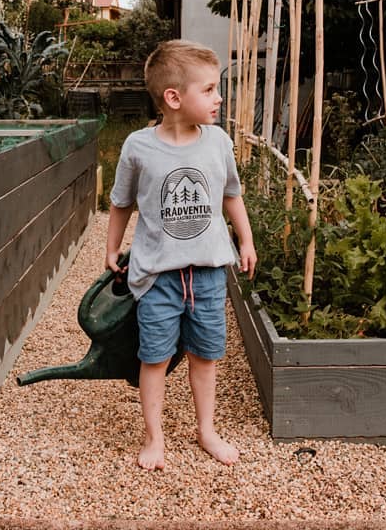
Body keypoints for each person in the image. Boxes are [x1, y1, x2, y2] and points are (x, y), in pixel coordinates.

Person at [107, 39, 257, 471]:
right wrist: (111, 247)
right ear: (173, 98)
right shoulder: (138, 147)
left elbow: (232, 195)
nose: (219, 97)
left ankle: (206, 429)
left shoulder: (217, 142)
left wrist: (245, 240)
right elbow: (120, 202)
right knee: (153, 358)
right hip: (158, 277)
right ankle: (155, 437)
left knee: (205, 356)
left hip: (209, 274)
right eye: (209, 89)